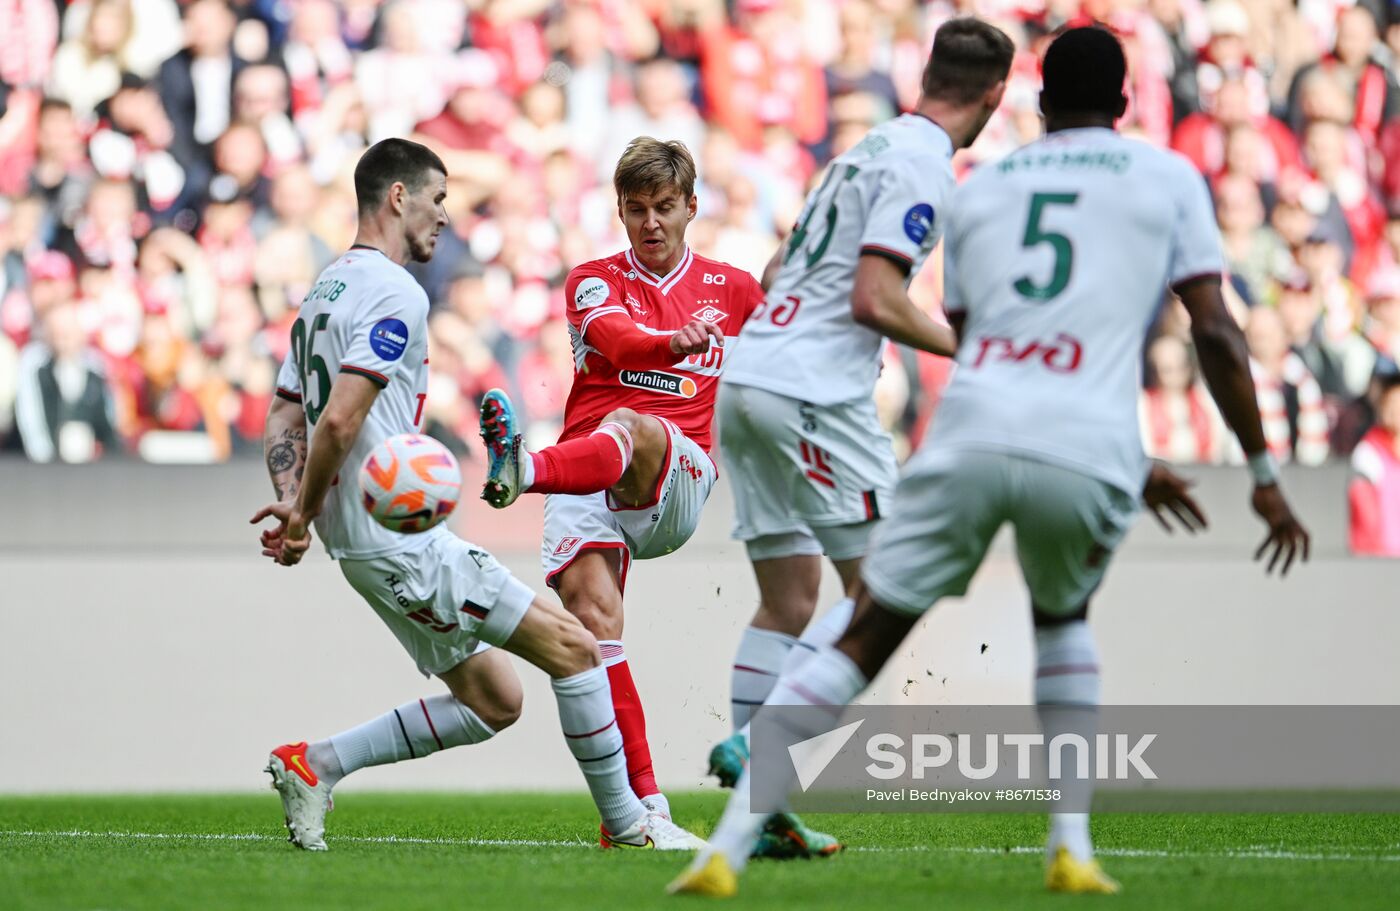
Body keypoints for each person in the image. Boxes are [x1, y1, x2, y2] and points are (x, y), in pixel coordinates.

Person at [672, 26, 1311, 898]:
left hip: (770, 380)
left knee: (801, 602)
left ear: (1038, 102)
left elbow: (793, 267)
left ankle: (741, 826)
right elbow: (1209, 329)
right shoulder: (1131, 175)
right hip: (879, 399)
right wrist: (1252, 473)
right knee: (1030, 614)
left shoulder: (938, 172)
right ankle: (1062, 841)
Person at [250, 138, 697, 853]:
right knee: (577, 649)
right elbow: (337, 417)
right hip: (398, 538)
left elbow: (282, 413)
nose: (445, 217)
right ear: (399, 197)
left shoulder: (325, 287)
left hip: (366, 540)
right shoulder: (395, 290)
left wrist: (298, 508)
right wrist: (300, 512)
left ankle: (316, 763)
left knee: (496, 701)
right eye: (438, 198)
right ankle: (631, 826)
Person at [706, 15, 1013, 856]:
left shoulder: (864, 151)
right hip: (813, 394)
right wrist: (976, 348)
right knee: (886, 593)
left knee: (788, 599)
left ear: (924, 78)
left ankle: (759, 817)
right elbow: (874, 297)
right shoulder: (922, 169)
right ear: (996, 95)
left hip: (750, 379)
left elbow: (778, 274)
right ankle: (764, 753)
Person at [476, 136, 761, 852]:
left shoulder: (733, 288)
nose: (651, 223)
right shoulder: (592, 280)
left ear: (692, 206)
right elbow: (622, 342)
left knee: (633, 421)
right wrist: (677, 344)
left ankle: (522, 468)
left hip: (676, 473)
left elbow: (788, 348)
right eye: (636, 210)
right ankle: (639, 811)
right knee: (593, 629)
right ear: (621, 212)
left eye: (665, 207)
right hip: (587, 476)